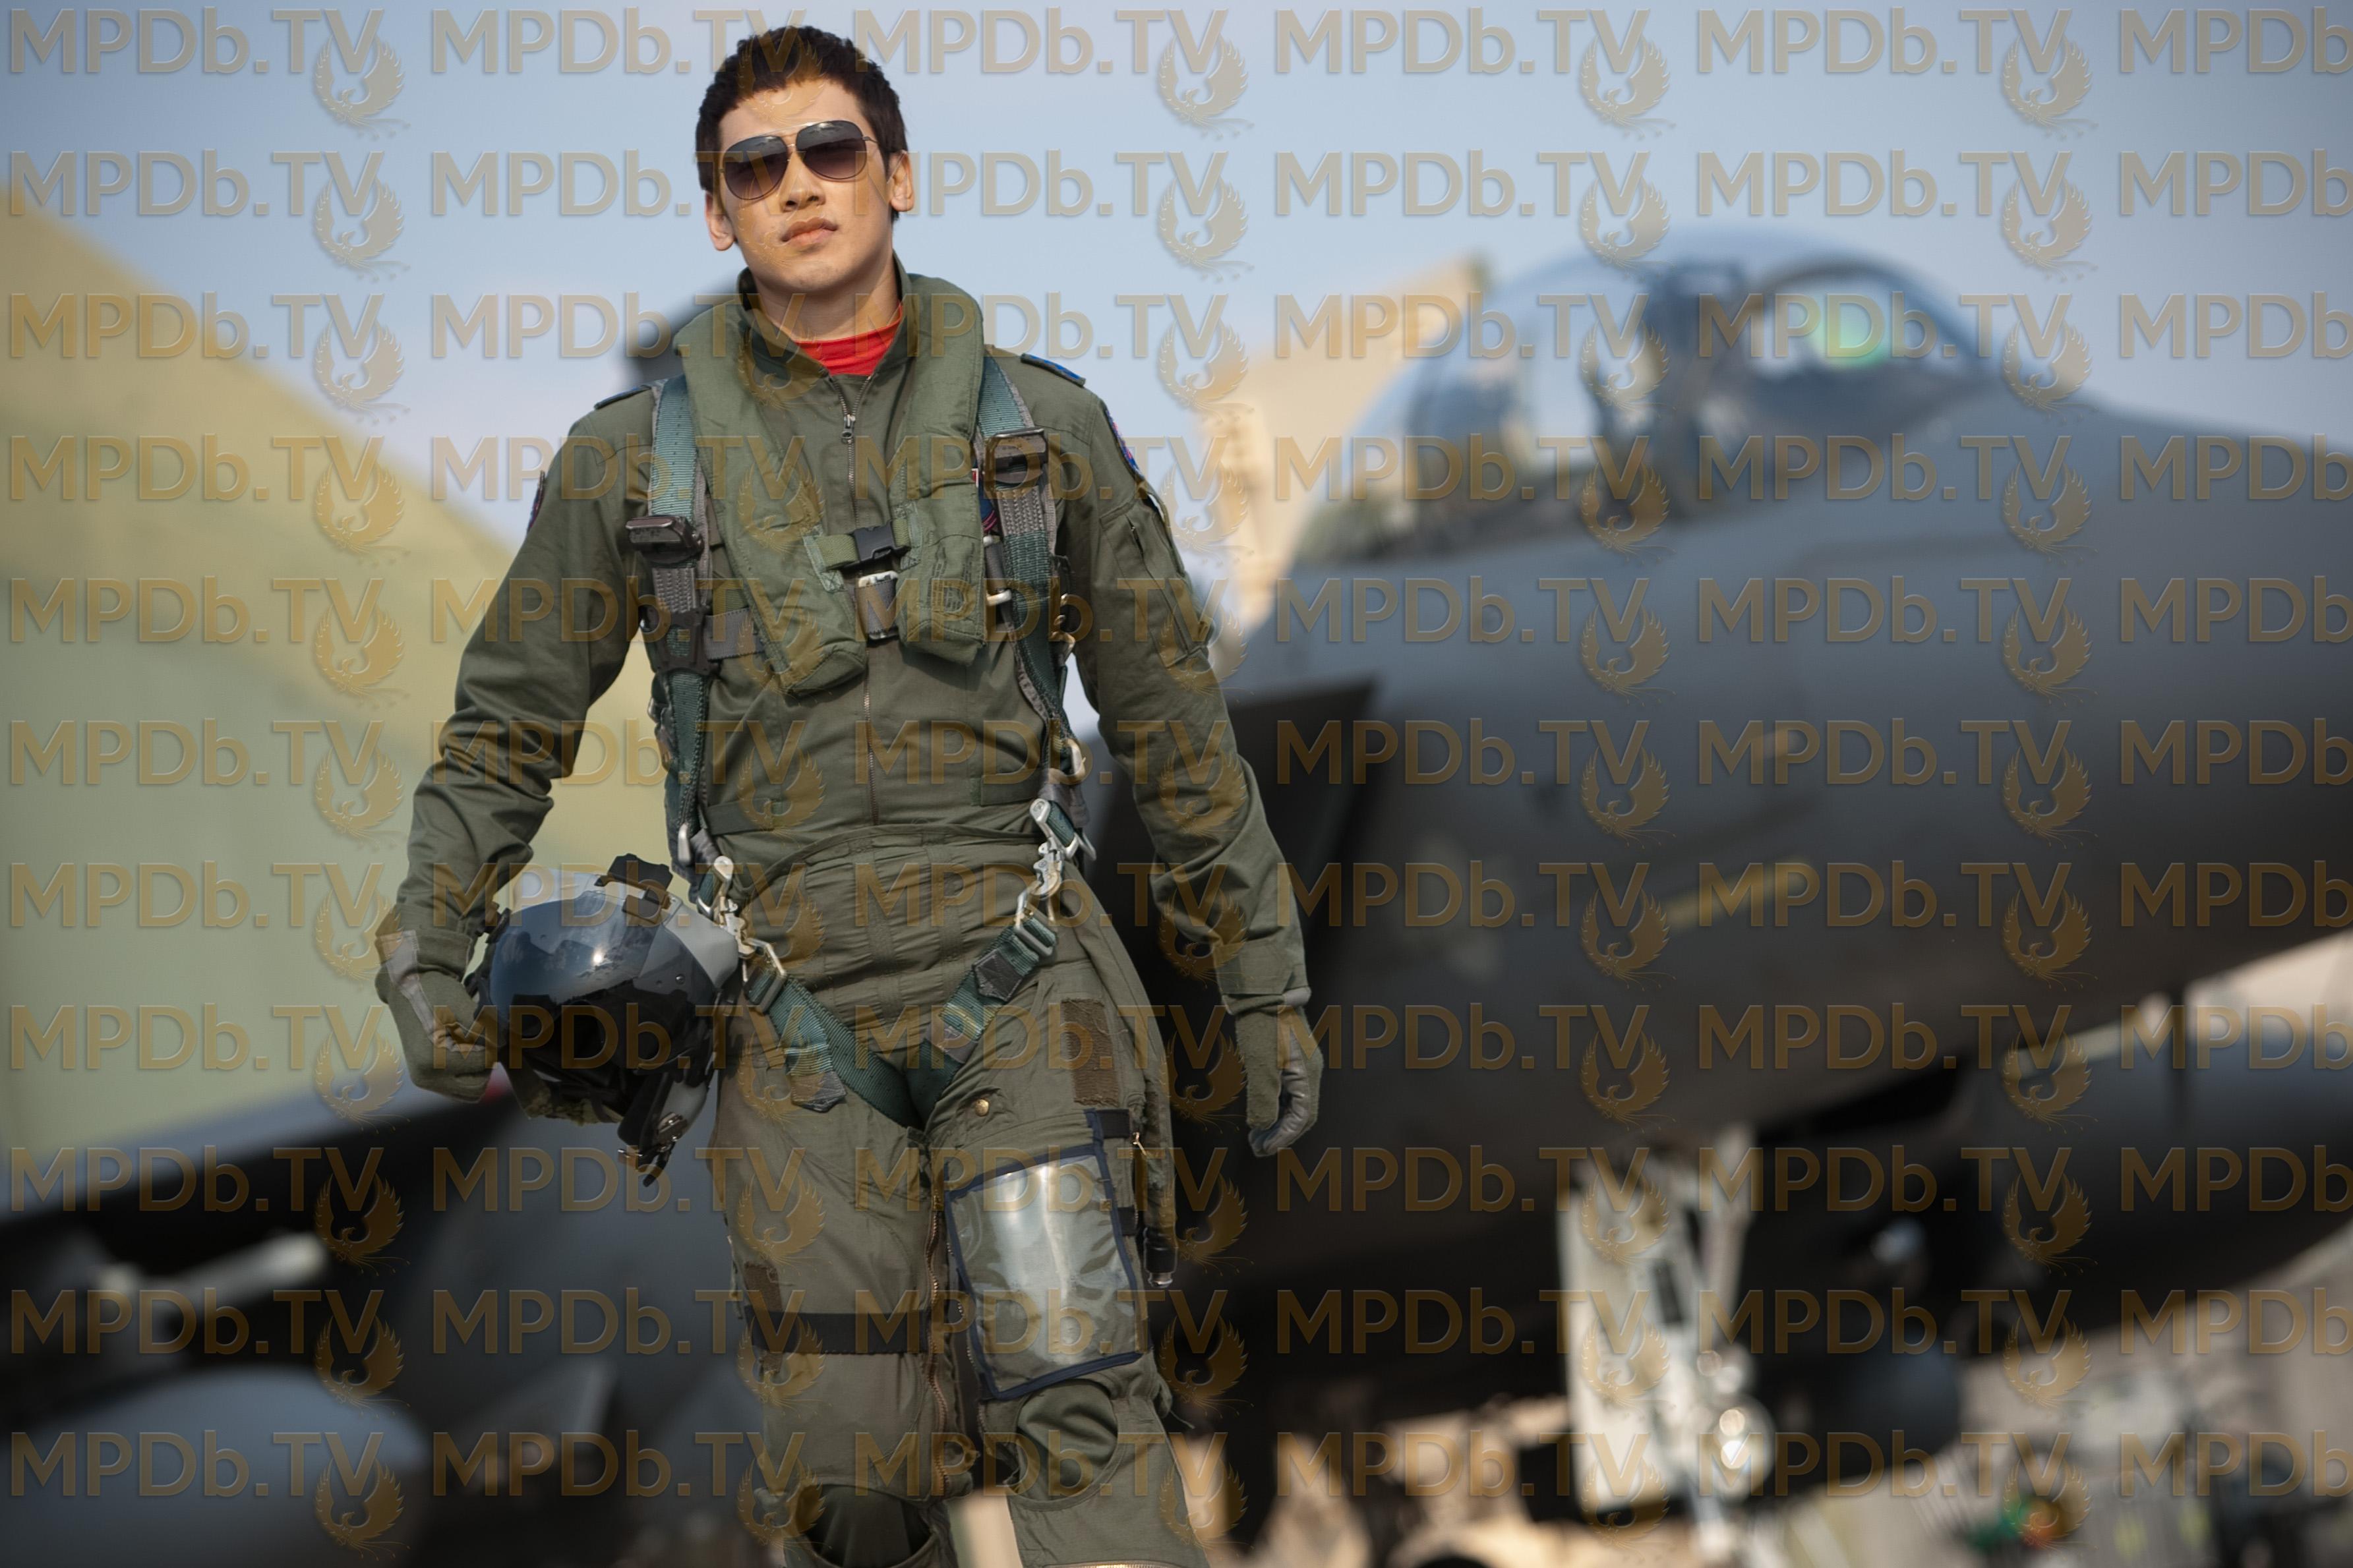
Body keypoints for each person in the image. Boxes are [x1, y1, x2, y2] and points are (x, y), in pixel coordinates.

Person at [371, 24, 1319, 1568]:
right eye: (756, 166)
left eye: (830, 149)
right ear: (718, 211)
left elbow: (1179, 736)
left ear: (899, 176)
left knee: (1074, 1382)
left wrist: (1264, 982)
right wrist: (426, 940)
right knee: (847, 1469)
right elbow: (502, 733)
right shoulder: (626, 470)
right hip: (788, 1013)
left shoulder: (1046, 433)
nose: (798, 185)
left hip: (1018, 973)